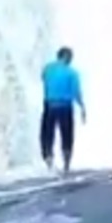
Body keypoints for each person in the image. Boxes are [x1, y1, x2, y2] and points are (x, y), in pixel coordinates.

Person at [40, 47, 86, 175]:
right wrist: (82, 106)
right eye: (70, 57)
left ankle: (49, 162)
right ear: (66, 57)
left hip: (49, 105)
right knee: (67, 135)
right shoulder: (72, 73)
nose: (71, 60)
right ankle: (66, 165)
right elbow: (76, 92)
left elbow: (43, 78)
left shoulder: (47, 68)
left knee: (47, 134)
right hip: (65, 106)